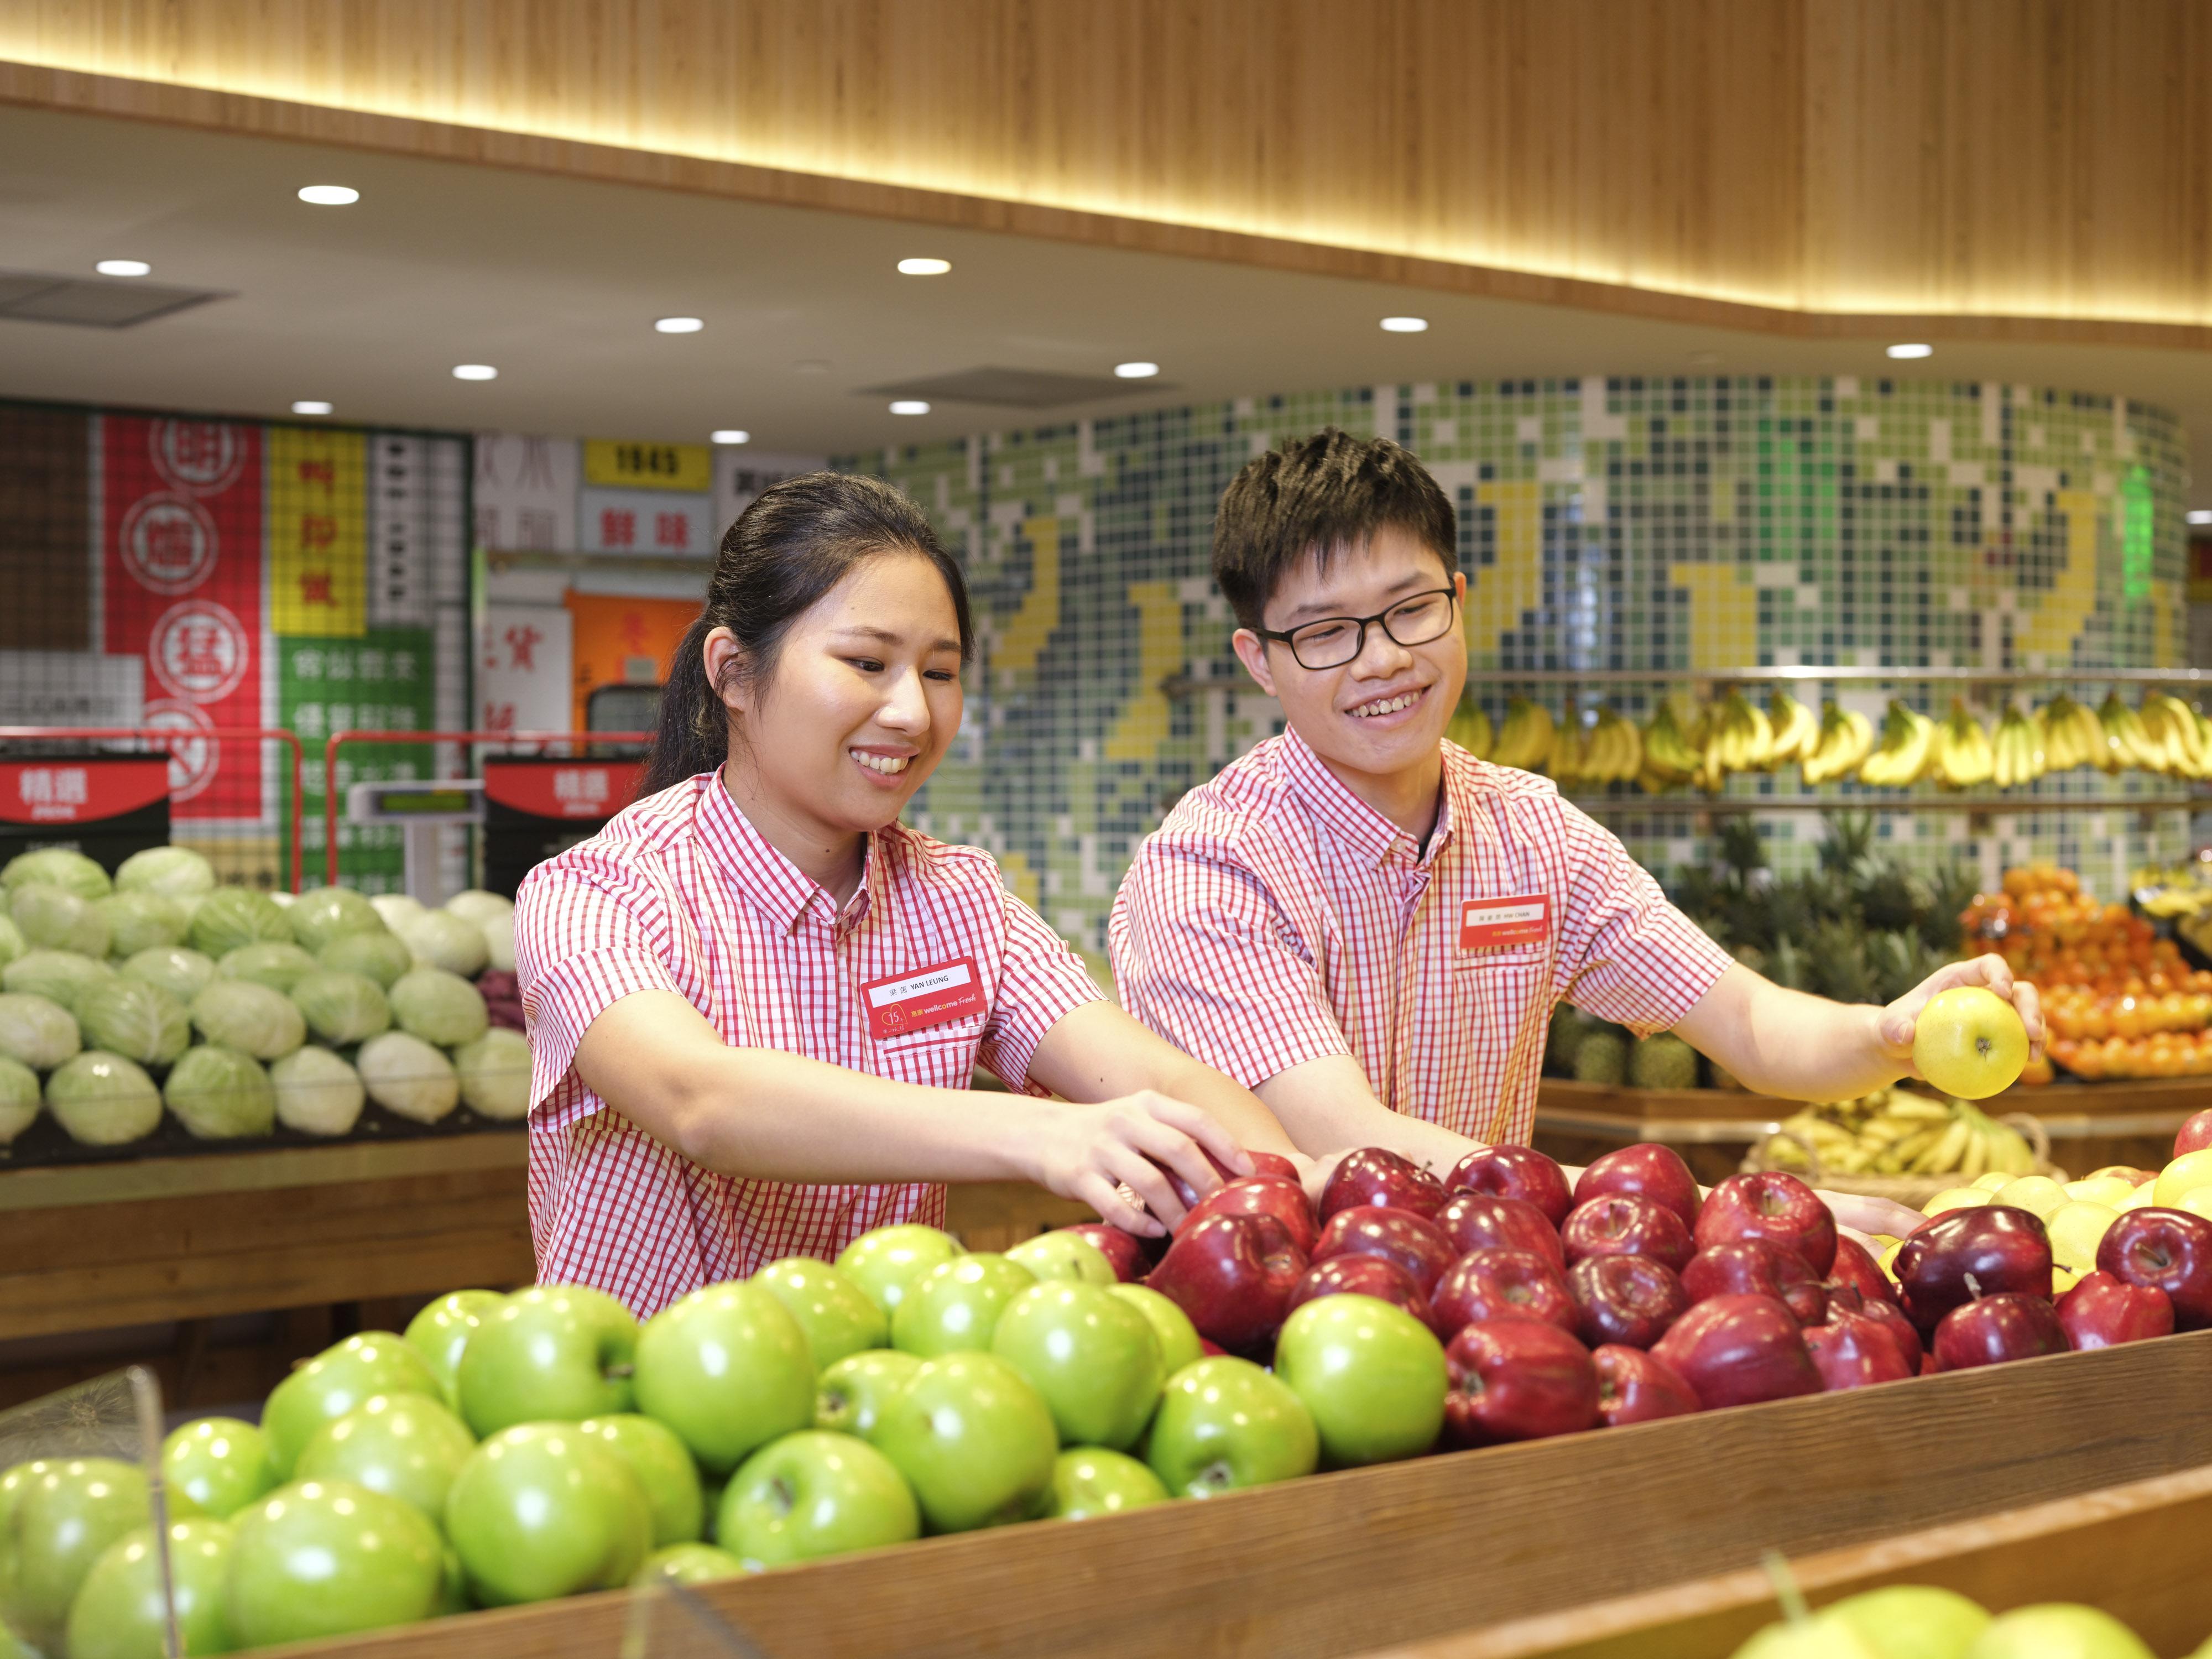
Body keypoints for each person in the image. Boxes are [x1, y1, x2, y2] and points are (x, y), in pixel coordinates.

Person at [1108, 430, 2042, 1230]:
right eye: (1325, 632)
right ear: (1260, 662)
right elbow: (1348, 1143)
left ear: (1459, 600)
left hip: (1488, 1306)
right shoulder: (1211, 869)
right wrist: (1713, 1212)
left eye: (1410, 609)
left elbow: (1751, 1023)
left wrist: (1894, 1032)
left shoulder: (1533, 832)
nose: (1384, 658)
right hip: (1259, 1331)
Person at [515, 472, 1302, 1314]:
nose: (912, 714)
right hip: (645, 1419)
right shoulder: (597, 892)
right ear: (735, 672)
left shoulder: (957, 900)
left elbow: (1156, 1080)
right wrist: (1044, 1134)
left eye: (939, 672)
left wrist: (1294, 1187)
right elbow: (700, 1099)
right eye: (867, 663)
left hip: (891, 1415)